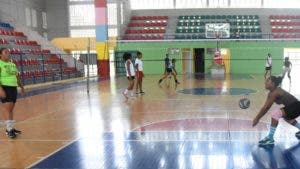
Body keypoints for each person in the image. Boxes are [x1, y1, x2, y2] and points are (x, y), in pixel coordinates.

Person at [252, 76, 300, 146]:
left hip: (295, 106)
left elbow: (266, 107)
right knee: (287, 118)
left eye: (268, 81)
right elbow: (266, 106)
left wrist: (257, 118)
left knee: (276, 114)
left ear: (273, 84)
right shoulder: (272, 93)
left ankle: (270, 138)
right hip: (295, 106)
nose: (265, 82)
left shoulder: (275, 92)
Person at [0, 48, 25, 139]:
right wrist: (1, 90)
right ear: (0, 54)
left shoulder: (12, 64)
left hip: (13, 88)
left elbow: (16, 76)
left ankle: (10, 128)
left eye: (8, 52)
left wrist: (21, 86)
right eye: (5, 52)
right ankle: (9, 130)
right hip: (5, 88)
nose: (8, 54)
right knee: (8, 110)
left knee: (10, 110)